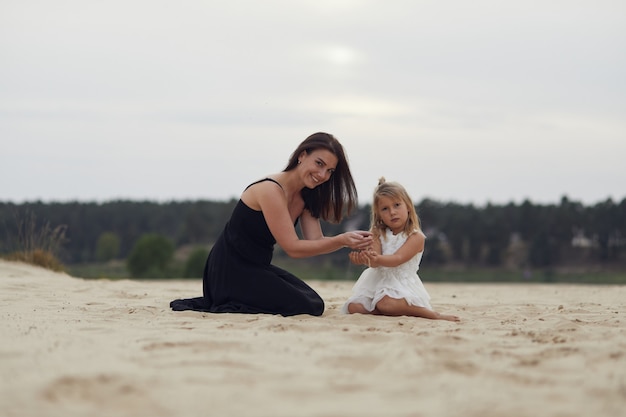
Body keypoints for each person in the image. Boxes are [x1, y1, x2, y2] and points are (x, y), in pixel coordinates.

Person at [170, 132, 373, 317]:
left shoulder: (307, 197)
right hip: (230, 268)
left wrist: (351, 240)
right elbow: (293, 248)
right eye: (319, 164)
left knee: (313, 301)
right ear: (302, 155)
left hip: (258, 266)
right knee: (306, 305)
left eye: (329, 170)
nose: (322, 175)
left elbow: (316, 240)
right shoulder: (270, 190)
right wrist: (341, 241)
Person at [341, 177, 460, 322]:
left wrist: (377, 259)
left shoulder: (416, 237)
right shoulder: (378, 232)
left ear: (408, 207)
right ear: (378, 214)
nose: (392, 212)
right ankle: (383, 311)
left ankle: (429, 314)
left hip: (402, 286)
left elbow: (397, 259)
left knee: (385, 302)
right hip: (378, 283)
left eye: (397, 205)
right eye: (385, 208)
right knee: (354, 307)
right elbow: (375, 262)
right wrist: (365, 259)